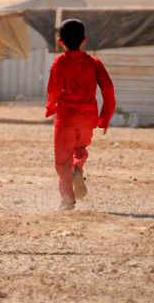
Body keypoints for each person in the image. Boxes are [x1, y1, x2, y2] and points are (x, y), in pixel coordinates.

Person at [45, 19, 115, 211]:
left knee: (62, 160)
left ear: (61, 42)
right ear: (84, 40)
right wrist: (104, 117)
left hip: (66, 118)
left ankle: (67, 196)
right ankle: (77, 167)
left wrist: (50, 106)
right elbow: (108, 88)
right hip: (87, 118)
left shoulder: (60, 61)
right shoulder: (94, 63)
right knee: (79, 148)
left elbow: (55, 88)